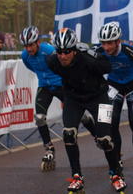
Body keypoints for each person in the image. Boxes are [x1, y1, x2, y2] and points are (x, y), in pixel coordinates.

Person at [46, 27, 127, 194]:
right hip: (74, 98)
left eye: (67, 52)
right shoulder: (52, 61)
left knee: (105, 140)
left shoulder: (88, 59)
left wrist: (92, 52)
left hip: (100, 97)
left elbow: (107, 66)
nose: (63, 56)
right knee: (68, 133)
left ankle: (115, 172)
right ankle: (77, 176)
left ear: (74, 51)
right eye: (59, 52)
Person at [19, 25, 94, 171]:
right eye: (26, 46)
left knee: (82, 116)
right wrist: (44, 78)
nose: (28, 49)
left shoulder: (49, 50)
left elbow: (64, 63)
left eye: (31, 45)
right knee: (39, 118)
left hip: (60, 85)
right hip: (44, 86)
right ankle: (49, 149)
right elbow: (31, 68)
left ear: (38, 42)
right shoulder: (25, 56)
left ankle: (97, 135)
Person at [96, 22, 133, 185]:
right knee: (111, 123)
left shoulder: (130, 51)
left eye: (109, 43)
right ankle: (116, 159)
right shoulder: (99, 52)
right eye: (103, 43)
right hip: (114, 85)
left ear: (118, 41)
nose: (106, 47)